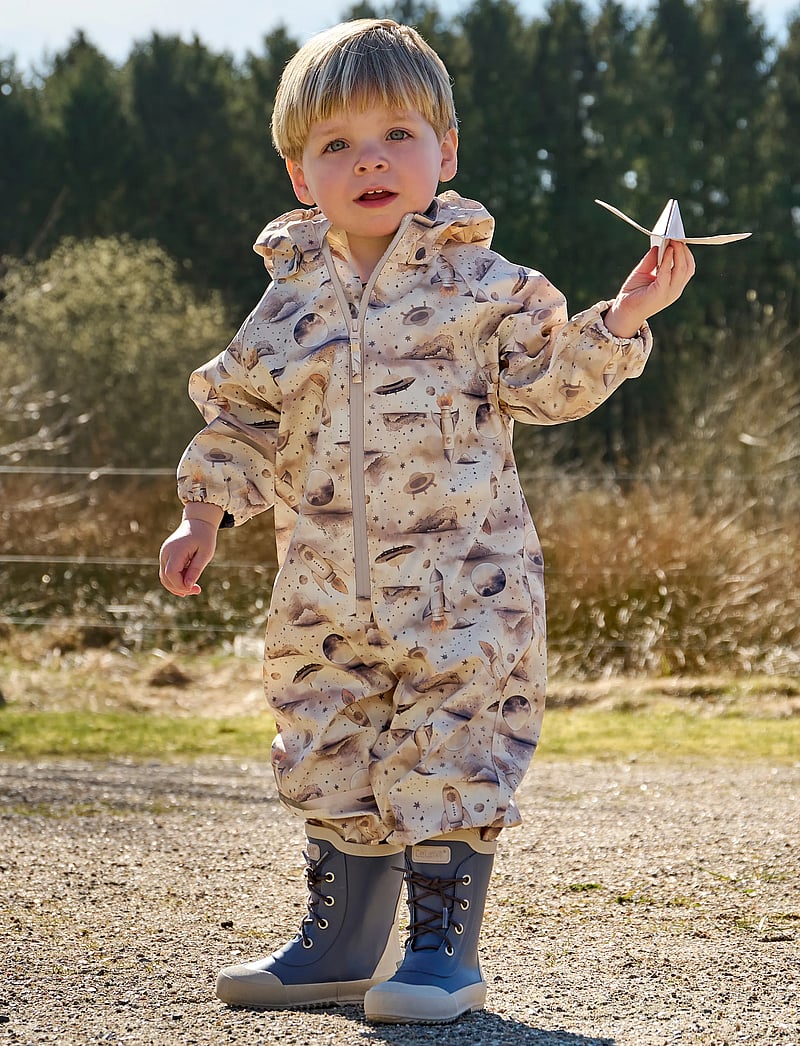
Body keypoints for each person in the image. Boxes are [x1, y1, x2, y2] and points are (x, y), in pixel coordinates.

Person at [158, 17, 694, 1024]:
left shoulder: (486, 291)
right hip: (321, 588)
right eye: (336, 144)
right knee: (326, 740)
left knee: (447, 750)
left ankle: (441, 953)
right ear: (298, 172)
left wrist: (619, 317)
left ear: (443, 154)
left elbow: (545, 384)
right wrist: (201, 516)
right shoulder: (283, 310)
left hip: (463, 585)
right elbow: (237, 418)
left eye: (397, 135)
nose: (369, 158)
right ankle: (338, 943)